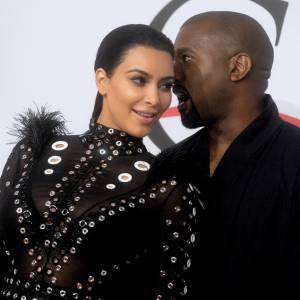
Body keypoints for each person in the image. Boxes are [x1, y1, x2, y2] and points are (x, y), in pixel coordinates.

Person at [0, 24, 200, 300]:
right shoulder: (33, 149)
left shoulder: (166, 186)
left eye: (166, 85)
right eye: (139, 80)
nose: (155, 99)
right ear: (102, 80)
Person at [151, 11, 300, 298]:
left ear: (238, 67)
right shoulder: (169, 163)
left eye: (186, 59)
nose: (173, 75)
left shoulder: (295, 159)